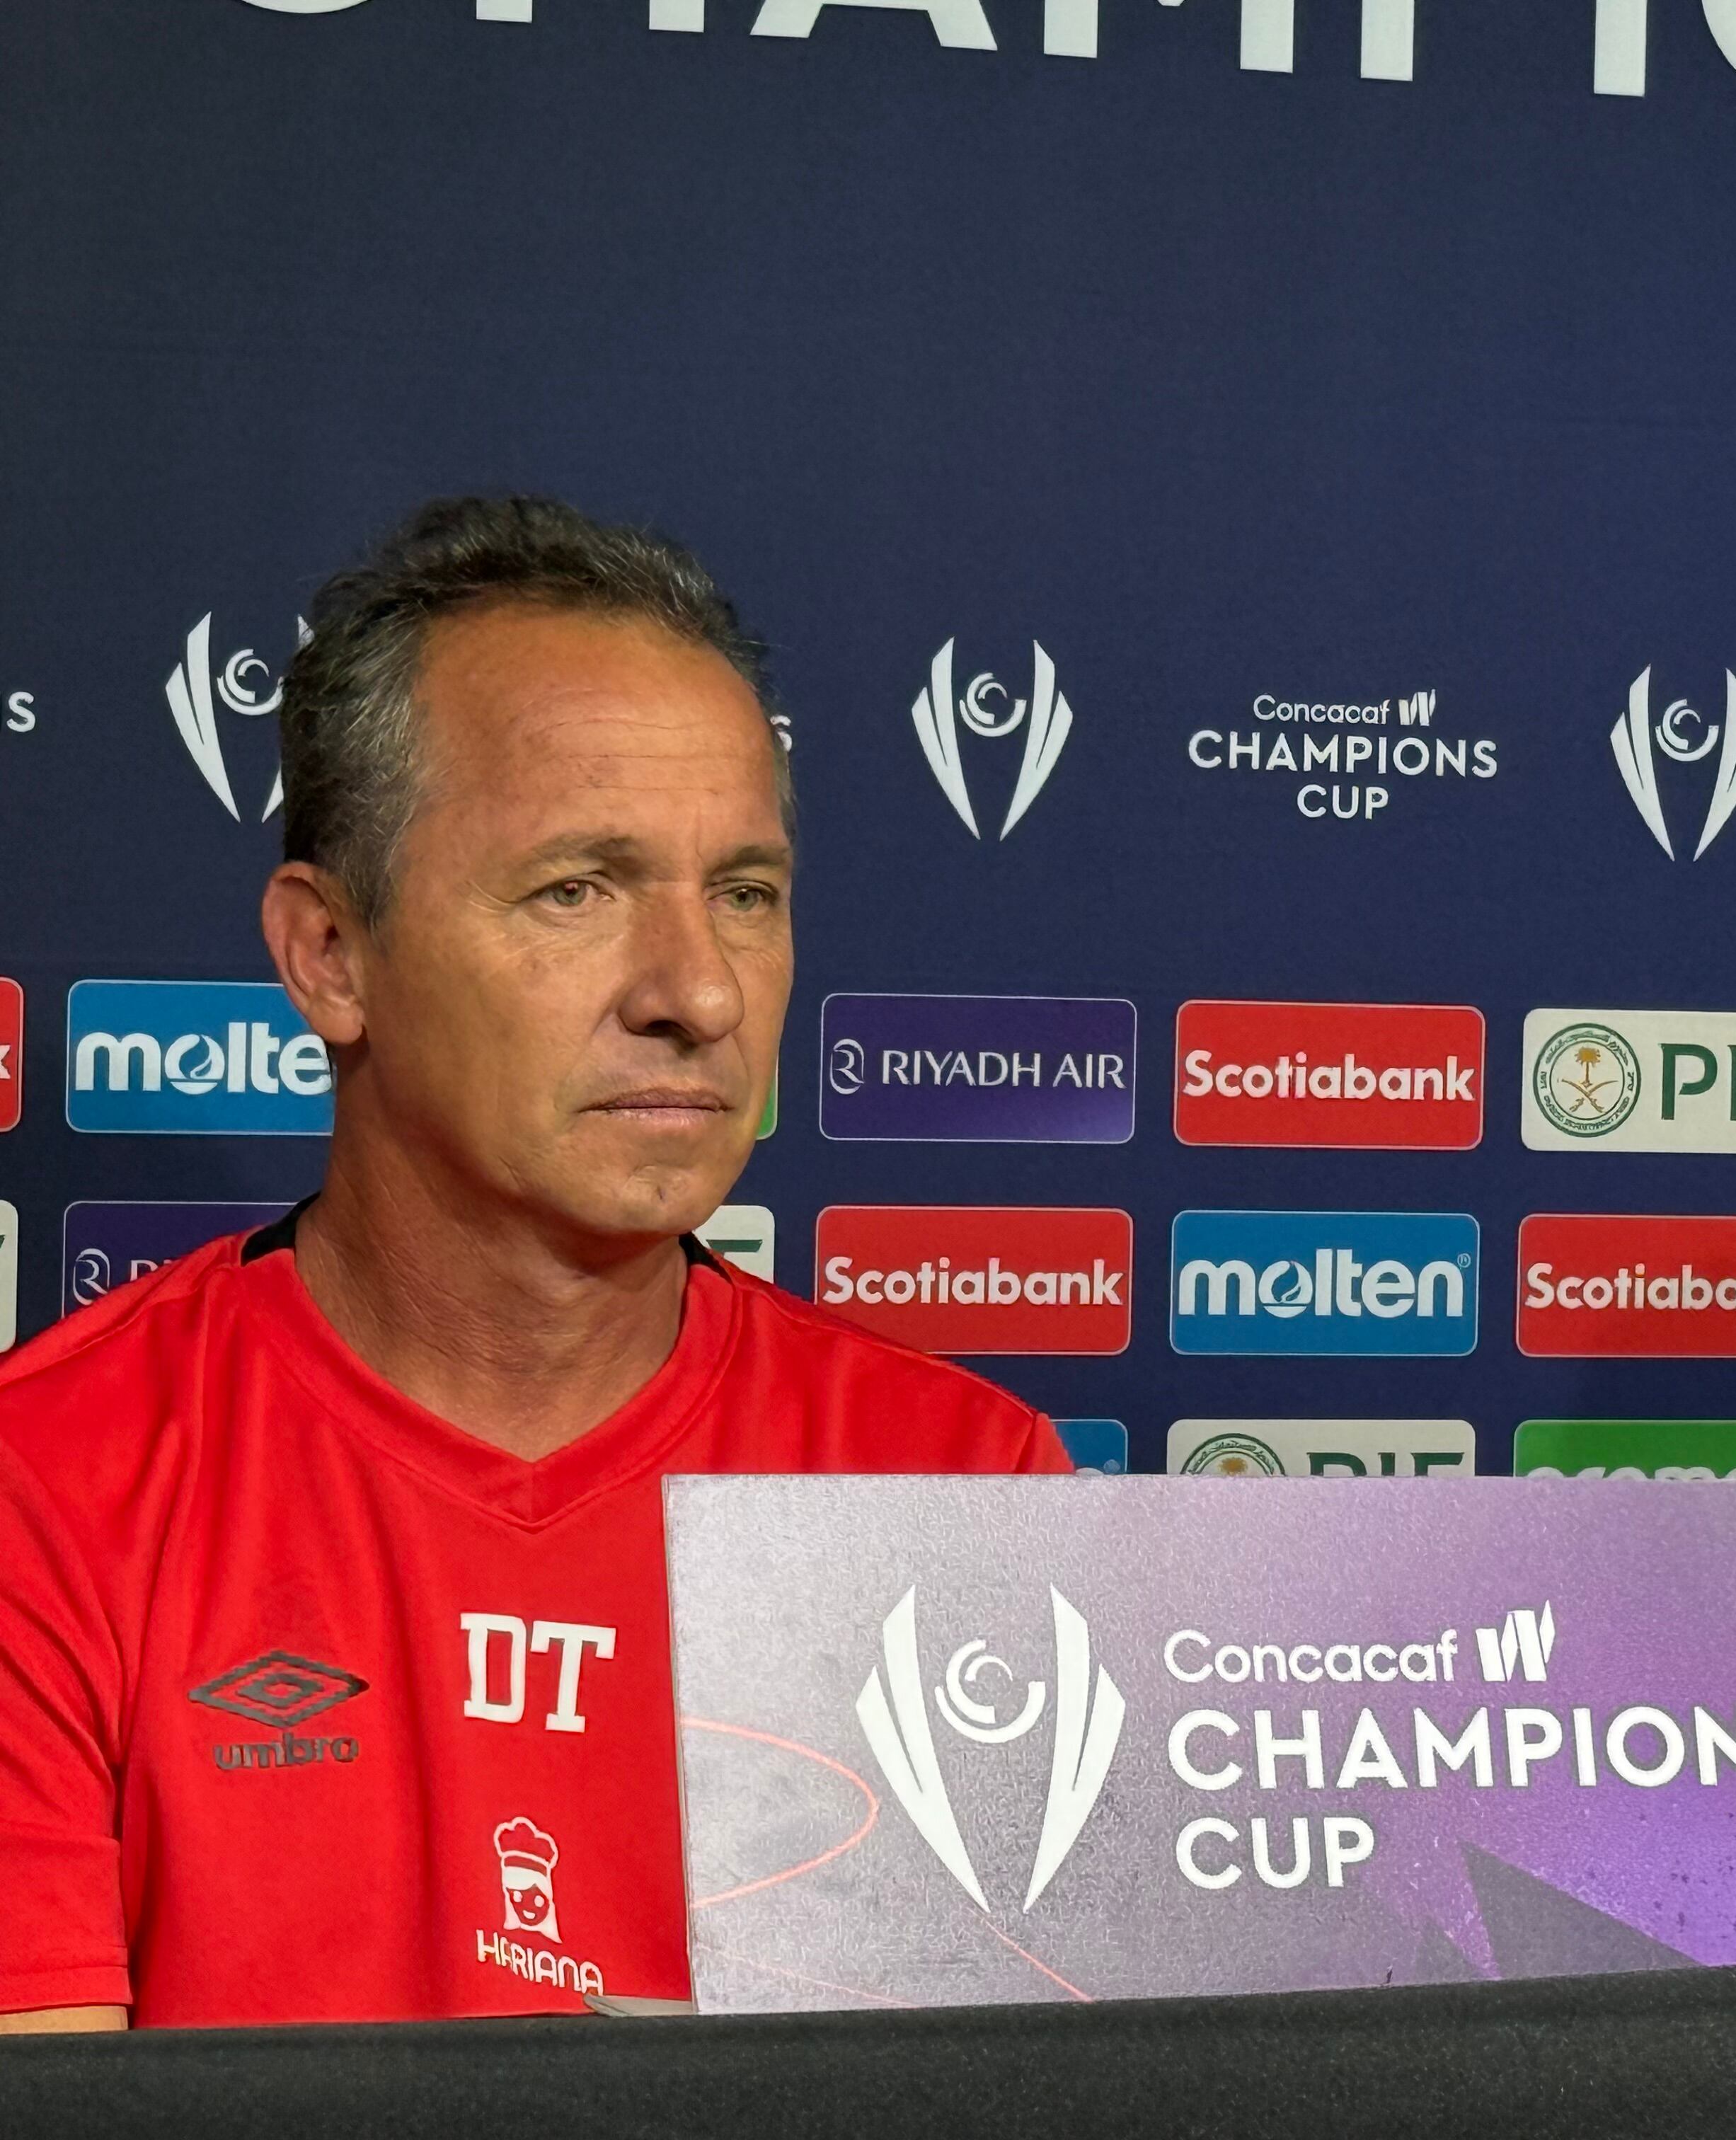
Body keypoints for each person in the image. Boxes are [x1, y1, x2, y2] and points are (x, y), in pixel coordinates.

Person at [0, 498, 1069, 2031]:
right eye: (578, 888)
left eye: (746, 896)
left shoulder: (962, 1487)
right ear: (330, 958)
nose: (698, 990)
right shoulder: (42, 1491)